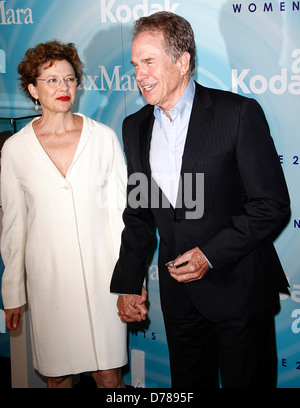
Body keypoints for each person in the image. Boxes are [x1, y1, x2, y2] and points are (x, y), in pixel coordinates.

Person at [110, 12, 290, 388]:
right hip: (179, 302)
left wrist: (210, 255)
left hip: (238, 291)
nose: (139, 74)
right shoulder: (135, 126)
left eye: (149, 61)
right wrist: (130, 279)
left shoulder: (237, 114)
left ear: (183, 61)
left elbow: (270, 205)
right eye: (134, 64)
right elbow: (140, 211)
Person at [1, 40, 127, 388]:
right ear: (33, 90)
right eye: (52, 80)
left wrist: (131, 283)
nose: (63, 87)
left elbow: (121, 220)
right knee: (57, 379)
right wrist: (12, 293)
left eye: (69, 79)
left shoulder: (104, 139)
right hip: (49, 285)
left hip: (105, 282)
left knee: (109, 376)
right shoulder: (14, 150)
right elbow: (13, 228)